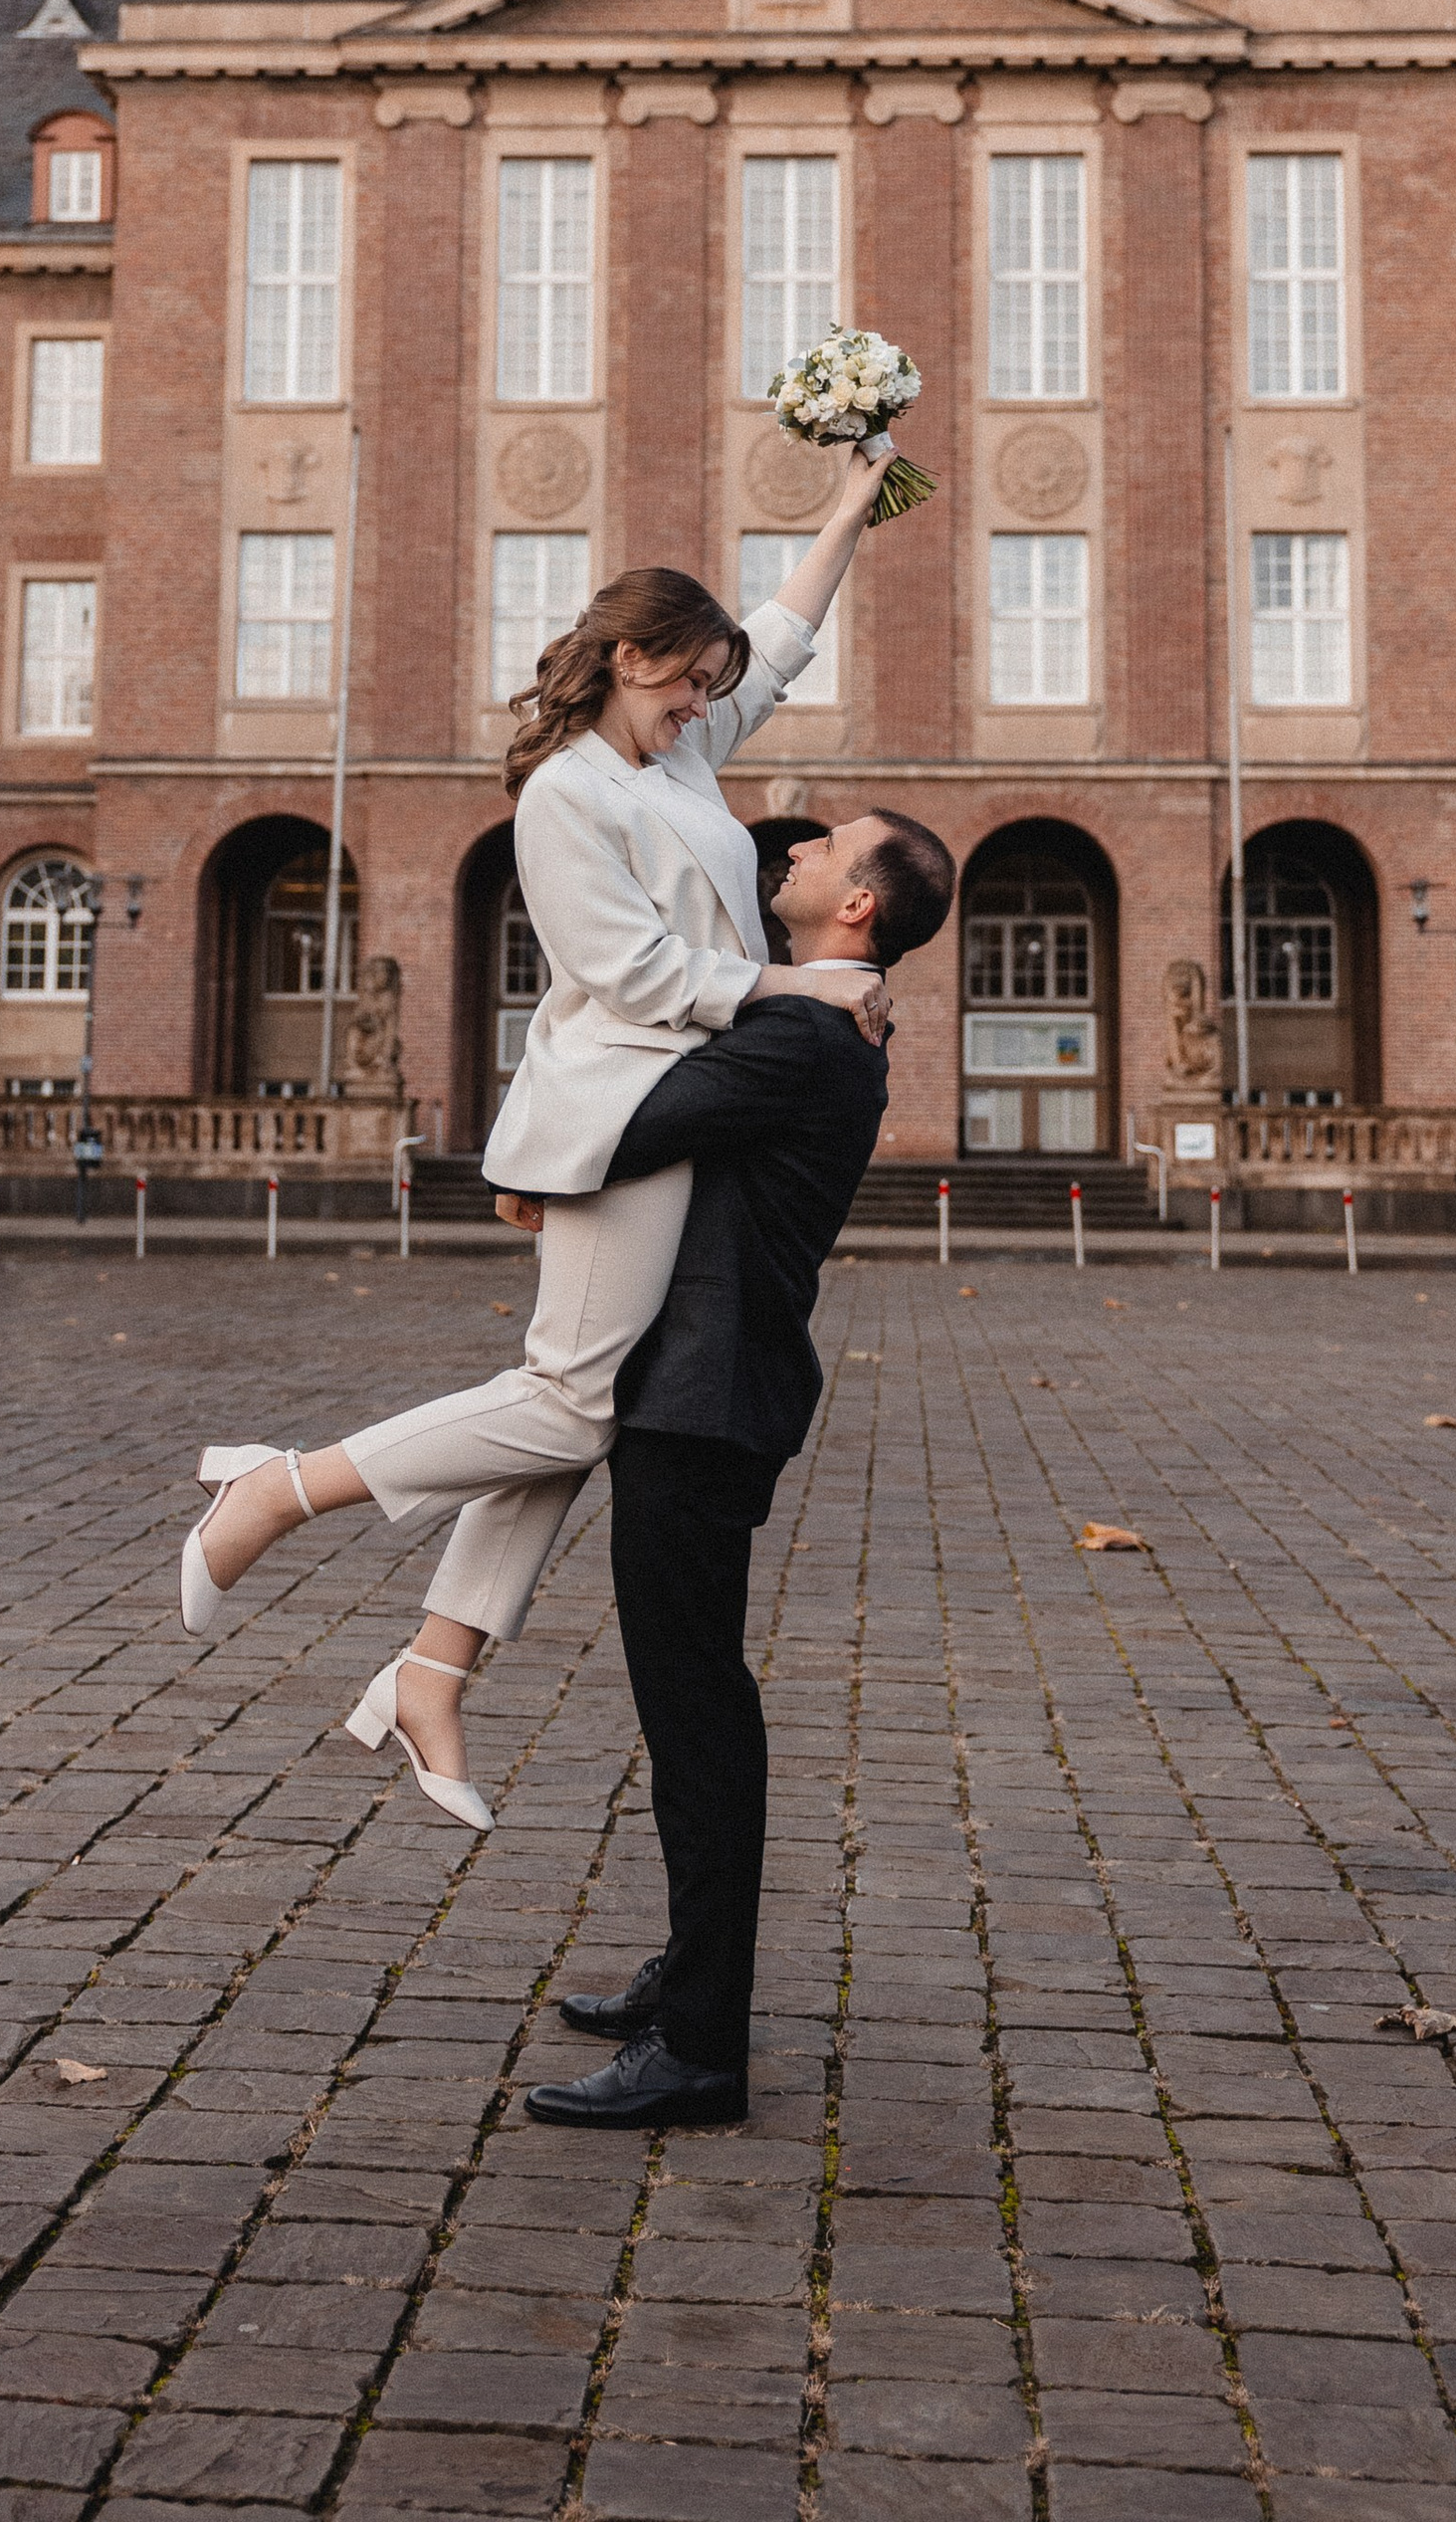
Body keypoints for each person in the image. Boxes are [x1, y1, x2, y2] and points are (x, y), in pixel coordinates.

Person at [174, 452, 900, 1825]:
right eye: (688, 679)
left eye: (709, 689)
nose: (707, 705)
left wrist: (851, 511)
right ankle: (281, 1489)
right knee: (569, 1402)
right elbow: (626, 969)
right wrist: (795, 983)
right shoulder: (567, 793)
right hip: (618, 1111)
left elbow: (788, 641)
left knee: (580, 1403)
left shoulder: (676, 753)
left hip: (687, 1108)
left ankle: (434, 1668)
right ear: (630, 658)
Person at [523, 804, 957, 2128]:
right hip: (710, 1387)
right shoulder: (825, 1015)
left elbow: (627, 1122)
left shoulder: (801, 1034)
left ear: (859, 910)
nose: (798, 860)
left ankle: (702, 2038)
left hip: (704, 1400)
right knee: (688, 1710)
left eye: (827, 856)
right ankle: (687, 1976)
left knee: (698, 1713)